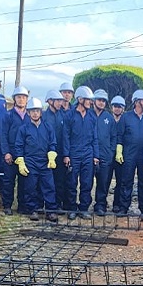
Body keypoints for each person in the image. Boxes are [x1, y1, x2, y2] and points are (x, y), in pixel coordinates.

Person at [15, 98, 59, 222]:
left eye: (37, 111)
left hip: (45, 162)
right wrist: (21, 161)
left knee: (49, 186)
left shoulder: (48, 127)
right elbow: (18, 146)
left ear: (41, 113)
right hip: (30, 162)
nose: (35, 113)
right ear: (28, 113)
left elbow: (52, 143)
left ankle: (50, 211)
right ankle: (33, 210)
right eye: (32, 111)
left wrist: (51, 157)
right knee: (30, 187)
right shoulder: (23, 129)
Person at [115, 89, 143, 216]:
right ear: (136, 102)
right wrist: (119, 151)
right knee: (126, 182)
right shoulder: (126, 117)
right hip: (129, 155)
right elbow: (119, 135)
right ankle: (123, 207)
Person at [66, 86, 99, 220]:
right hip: (74, 152)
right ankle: (72, 208)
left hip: (88, 153)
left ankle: (84, 208)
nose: (90, 102)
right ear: (80, 99)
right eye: (88, 100)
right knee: (72, 182)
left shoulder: (92, 116)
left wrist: (96, 155)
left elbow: (95, 137)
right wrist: (66, 155)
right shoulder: (70, 115)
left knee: (87, 182)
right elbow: (66, 136)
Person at [0, 86, 30, 215]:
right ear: (14, 99)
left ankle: (22, 206)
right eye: (19, 97)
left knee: (24, 181)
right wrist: (6, 152)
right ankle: (7, 205)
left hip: (25, 154)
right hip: (11, 153)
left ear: (27, 100)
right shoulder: (8, 116)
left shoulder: (30, 115)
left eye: (23, 97)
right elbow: (3, 135)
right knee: (9, 181)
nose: (21, 99)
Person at [43, 90, 72, 212]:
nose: (61, 103)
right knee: (46, 181)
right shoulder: (43, 116)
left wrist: (66, 154)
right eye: (58, 100)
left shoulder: (64, 116)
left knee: (59, 180)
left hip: (59, 153)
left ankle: (58, 204)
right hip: (46, 154)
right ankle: (46, 205)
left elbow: (66, 136)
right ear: (50, 101)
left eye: (61, 100)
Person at [92, 90, 118, 216]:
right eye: (99, 100)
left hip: (105, 156)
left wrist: (111, 151)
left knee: (103, 182)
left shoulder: (109, 118)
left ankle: (100, 205)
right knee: (86, 183)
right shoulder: (88, 114)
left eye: (103, 101)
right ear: (93, 101)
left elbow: (114, 137)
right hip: (89, 155)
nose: (101, 103)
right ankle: (83, 205)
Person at [107, 96, 126, 214]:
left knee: (120, 181)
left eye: (120, 107)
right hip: (108, 154)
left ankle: (117, 204)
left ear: (123, 109)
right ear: (112, 107)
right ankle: (102, 203)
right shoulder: (108, 120)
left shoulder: (125, 120)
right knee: (105, 180)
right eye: (115, 106)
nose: (117, 109)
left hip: (121, 156)